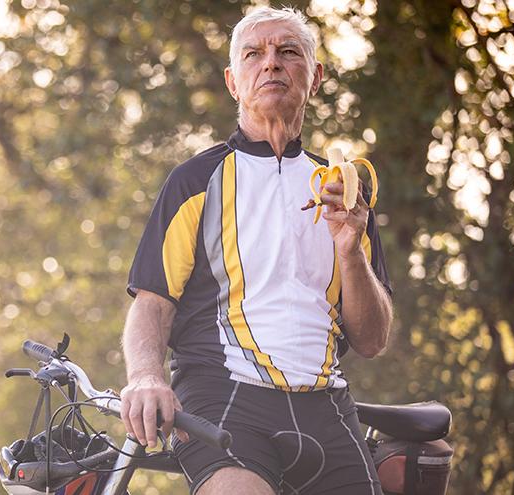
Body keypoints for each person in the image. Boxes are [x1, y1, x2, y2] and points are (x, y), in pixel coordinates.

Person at [119, 7, 392, 495]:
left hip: (327, 405)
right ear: (233, 81)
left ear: (315, 77)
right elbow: (152, 302)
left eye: (289, 52)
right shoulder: (194, 182)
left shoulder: (347, 193)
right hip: (222, 395)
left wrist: (350, 250)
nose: (271, 64)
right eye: (254, 54)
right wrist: (144, 376)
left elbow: (372, 340)